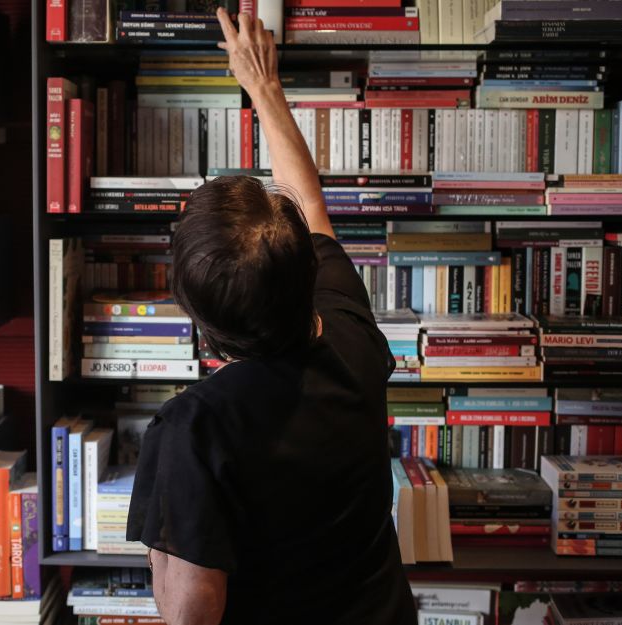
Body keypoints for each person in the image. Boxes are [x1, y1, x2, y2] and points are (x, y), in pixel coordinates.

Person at [125, 9, 418, 625]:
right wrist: (264, 86)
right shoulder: (350, 336)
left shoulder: (195, 427)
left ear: (201, 324)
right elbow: (310, 202)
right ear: (304, 273)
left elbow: (191, 616)